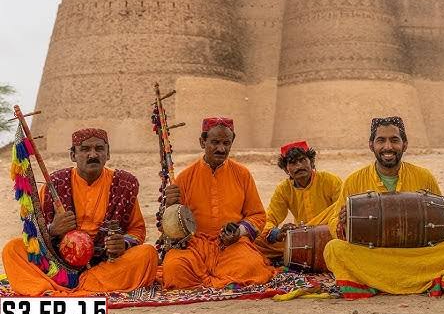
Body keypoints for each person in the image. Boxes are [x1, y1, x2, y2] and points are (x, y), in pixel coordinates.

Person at [324, 117, 444, 299]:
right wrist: (343, 223)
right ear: (371, 145)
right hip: (376, 254)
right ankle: (419, 280)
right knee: (334, 249)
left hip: (417, 253)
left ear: (405, 144)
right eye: (381, 140)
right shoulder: (354, 180)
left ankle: (377, 281)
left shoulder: (423, 176)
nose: (388, 147)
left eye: (394, 140)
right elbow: (333, 221)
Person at [2, 128, 158, 296]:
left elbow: (137, 230)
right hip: (59, 265)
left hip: (105, 264)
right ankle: (81, 287)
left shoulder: (124, 184)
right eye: (84, 149)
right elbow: (32, 234)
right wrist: (52, 230)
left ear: (108, 154)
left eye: (99, 149)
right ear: (73, 155)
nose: (93, 154)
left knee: (147, 254)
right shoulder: (54, 184)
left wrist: (123, 243)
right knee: (13, 249)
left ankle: (69, 287)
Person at [161, 117, 275, 289]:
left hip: (231, 246)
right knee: (174, 268)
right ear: (202, 142)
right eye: (214, 142)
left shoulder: (242, 174)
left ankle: (206, 282)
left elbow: (257, 215)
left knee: (251, 266)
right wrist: (170, 206)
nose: (221, 149)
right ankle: (219, 281)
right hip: (195, 246)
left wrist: (238, 232)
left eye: (226, 143)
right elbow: (171, 227)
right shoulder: (184, 178)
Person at [254, 141, 342, 259]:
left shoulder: (330, 181)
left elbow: (343, 211)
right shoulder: (283, 189)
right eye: (293, 163)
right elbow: (269, 219)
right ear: (286, 169)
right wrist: (278, 234)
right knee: (256, 241)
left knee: (339, 213)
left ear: (311, 162)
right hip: (301, 238)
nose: (299, 166)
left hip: (330, 234)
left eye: (302, 160)